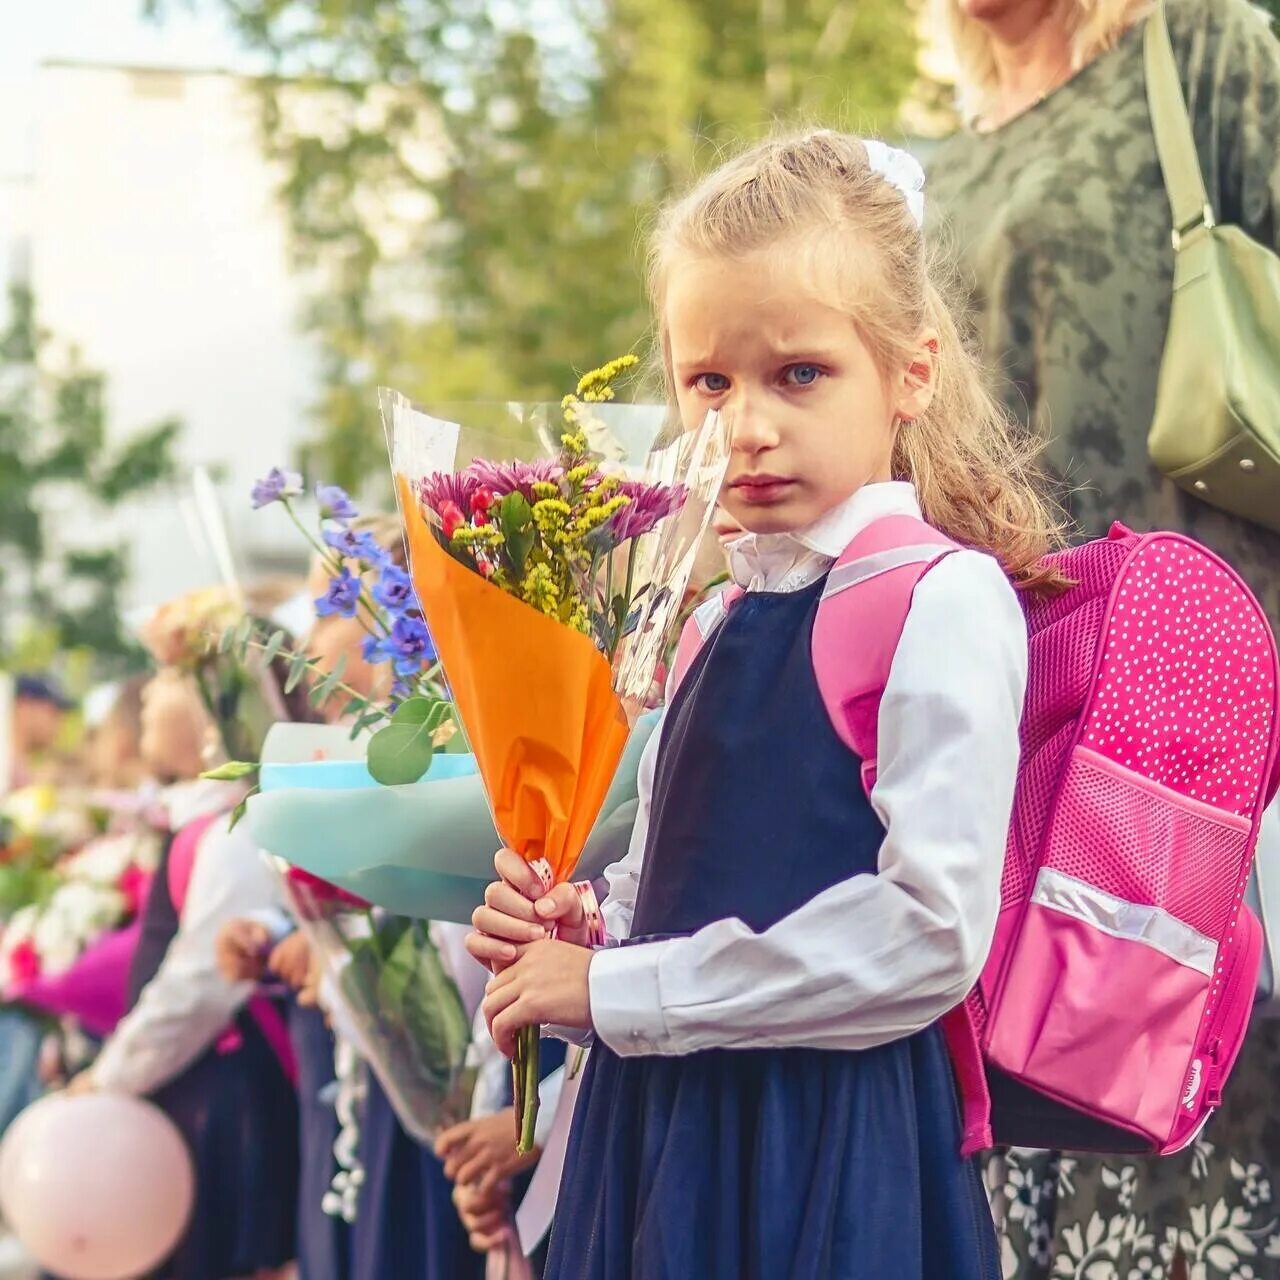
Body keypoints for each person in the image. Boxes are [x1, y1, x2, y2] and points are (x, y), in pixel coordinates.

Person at [465, 129, 1059, 1279]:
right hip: (668, 1133)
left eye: (797, 372)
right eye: (708, 380)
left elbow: (927, 934)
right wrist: (582, 928)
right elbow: (688, 873)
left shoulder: (935, 596)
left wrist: (624, 986)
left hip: (821, 1146)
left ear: (910, 371)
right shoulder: (709, 619)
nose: (743, 425)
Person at [925, 1, 1280, 1274]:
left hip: (1193, 750)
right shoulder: (919, 163)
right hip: (998, 752)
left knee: (1192, 1183)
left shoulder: (1202, 55)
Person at [73, 665, 300, 1280]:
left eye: (169, 676)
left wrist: (108, 1078)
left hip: (223, 1097)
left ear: (210, 708)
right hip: (192, 1085)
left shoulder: (233, 830)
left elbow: (201, 981)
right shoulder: (198, 822)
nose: (145, 690)